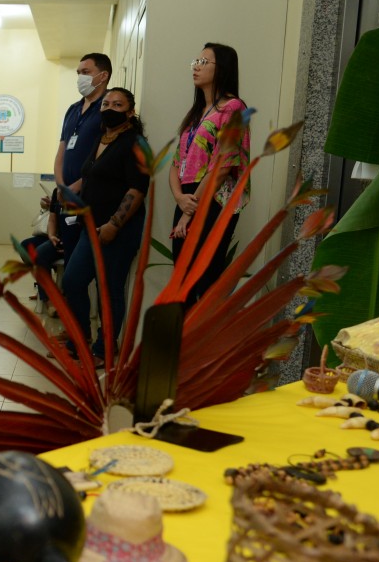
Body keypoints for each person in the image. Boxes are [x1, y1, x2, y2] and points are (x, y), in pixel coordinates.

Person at [61, 87, 151, 357]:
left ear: (130, 112)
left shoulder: (136, 144)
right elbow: (90, 177)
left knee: (109, 290)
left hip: (119, 230)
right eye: (106, 104)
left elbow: (137, 189)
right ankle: (81, 339)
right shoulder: (102, 138)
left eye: (118, 105)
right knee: (73, 281)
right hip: (90, 226)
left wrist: (114, 224)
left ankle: (105, 350)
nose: (110, 108)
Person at [169, 43, 249, 306]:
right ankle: (181, 345)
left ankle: (200, 344)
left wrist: (189, 210)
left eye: (204, 62)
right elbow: (175, 165)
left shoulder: (233, 108)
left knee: (203, 280)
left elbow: (224, 166)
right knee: (181, 282)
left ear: (222, 68)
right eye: (196, 60)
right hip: (187, 197)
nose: (196, 66)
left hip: (212, 199)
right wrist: (181, 199)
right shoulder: (195, 113)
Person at [54, 53, 112, 200]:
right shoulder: (73, 109)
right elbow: (61, 152)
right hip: (66, 194)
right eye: (78, 73)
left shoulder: (108, 109)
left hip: (93, 192)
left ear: (103, 76)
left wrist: (79, 185)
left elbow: (108, 156)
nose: (80, 78)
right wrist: (61, 186)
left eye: (86, 72)